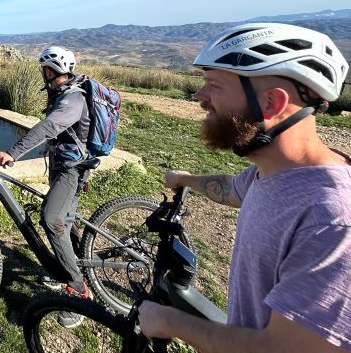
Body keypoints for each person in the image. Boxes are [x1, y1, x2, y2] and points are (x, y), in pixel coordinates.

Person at [138, 22, 350, 352]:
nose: (200, 97)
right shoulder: (274, 172)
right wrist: (188, 180)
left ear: (271, 103)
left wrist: (168, 321)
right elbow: (235, 190)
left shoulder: (331, 218)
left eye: (214, 85)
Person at [0, 45, 92, 327]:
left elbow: (49, 127)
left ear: (51, 70)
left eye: (44, 69)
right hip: (64, 164)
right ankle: (66, 266)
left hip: (71, 170)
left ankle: (79, 290)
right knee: (65, 218)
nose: (42, 74)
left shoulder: (73, 99)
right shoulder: (61, 92)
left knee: (52, 219)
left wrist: (14, 152)